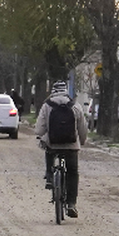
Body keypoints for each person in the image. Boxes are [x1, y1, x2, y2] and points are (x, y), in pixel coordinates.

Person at [34, 79, 89, 217]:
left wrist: (42, 137)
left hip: (53, 143)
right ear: (66, 91)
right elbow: (82, 127)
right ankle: (71, 203)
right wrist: (81, 141)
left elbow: (39, 129)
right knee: (72, 172)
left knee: (48, 149)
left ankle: (49, 177)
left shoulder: (47, 106)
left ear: (53, 91)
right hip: (71, 146)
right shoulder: (75, 105)